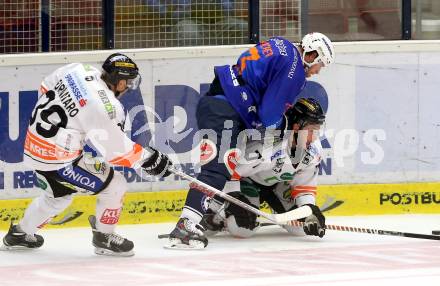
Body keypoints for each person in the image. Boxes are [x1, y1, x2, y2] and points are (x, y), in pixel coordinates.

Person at [166, 32, 334, 249]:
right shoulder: (296, 72)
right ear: (311, 55)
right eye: (319, 64)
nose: (317, 71)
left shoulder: (281, 44)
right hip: (225, 109)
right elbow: (268, 115)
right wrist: (281, 122)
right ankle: (187, 225)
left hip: (222, 102)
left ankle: (205, 215)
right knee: (217, 169)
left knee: (222, 166)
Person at [1, 53, 173, 256]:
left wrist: (70, 124)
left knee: (57, 197)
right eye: (129, 81)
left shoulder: (79, 70)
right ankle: (104, 237)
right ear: (119, 82)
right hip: (59, 160)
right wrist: (149, 160)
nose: (129, 86)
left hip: (34, 146)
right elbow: (116, 152)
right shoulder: (107, 107)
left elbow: (46, 86)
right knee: (115, 185)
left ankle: (20, 234)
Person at [202, 95, 327, 239]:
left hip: (277, 184)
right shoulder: (267, 145)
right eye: (311, 131)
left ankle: (276, 209)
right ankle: (222, 217)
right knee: (242, 229)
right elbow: (231, 171)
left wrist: (309, 210)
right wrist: (232, 199)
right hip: (248, 181)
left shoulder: (314, 150)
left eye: (317, 131)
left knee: (300, 228)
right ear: (297, 127)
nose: (314, 138)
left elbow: (304, 187)